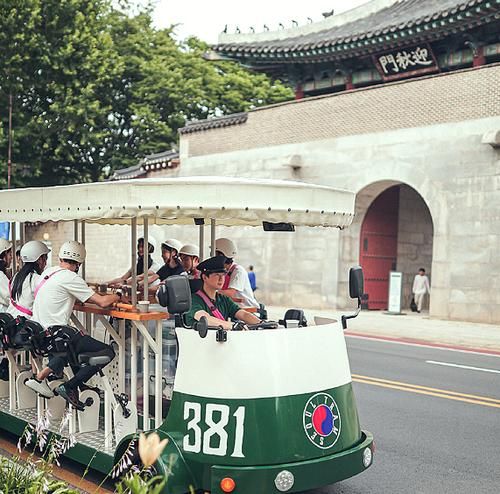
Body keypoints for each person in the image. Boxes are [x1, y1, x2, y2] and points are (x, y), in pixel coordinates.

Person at [26, 240, 123, 403]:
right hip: (57, 337)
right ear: (79, 264)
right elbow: (103, 302)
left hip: (40, 336)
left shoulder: (48, 273)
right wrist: (119, 294)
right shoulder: (70, 277)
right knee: (107, 352)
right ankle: (71, 385)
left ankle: (51, 379)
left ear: (61, 258)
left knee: (76, 344)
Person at [185, 256, 262, 330]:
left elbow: (243, 314)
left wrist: (261, 323)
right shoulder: (194, 300)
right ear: (204, 277)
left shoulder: (223, 299)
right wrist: (232, 326)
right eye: (217, 275)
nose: (221, 279)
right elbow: (205, 318)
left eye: (223, 275)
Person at [7, 241, 50, 319]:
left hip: (11, 321)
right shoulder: (37, 279)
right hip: (25, 324)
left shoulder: (16, 276)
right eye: (45, 258)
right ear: (39, 259)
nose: (45, 263)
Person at [215, 238, 259, 309]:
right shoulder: (224, 271)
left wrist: (210, 292)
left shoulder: (238, 271)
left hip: (248, 310)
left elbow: (230, 293)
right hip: (234, 309)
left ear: (221, 256)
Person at [0, 238, 13, 312]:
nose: (11, 257)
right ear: (3, 255)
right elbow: (9, 297)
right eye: (10, 254)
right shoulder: (0, 276)